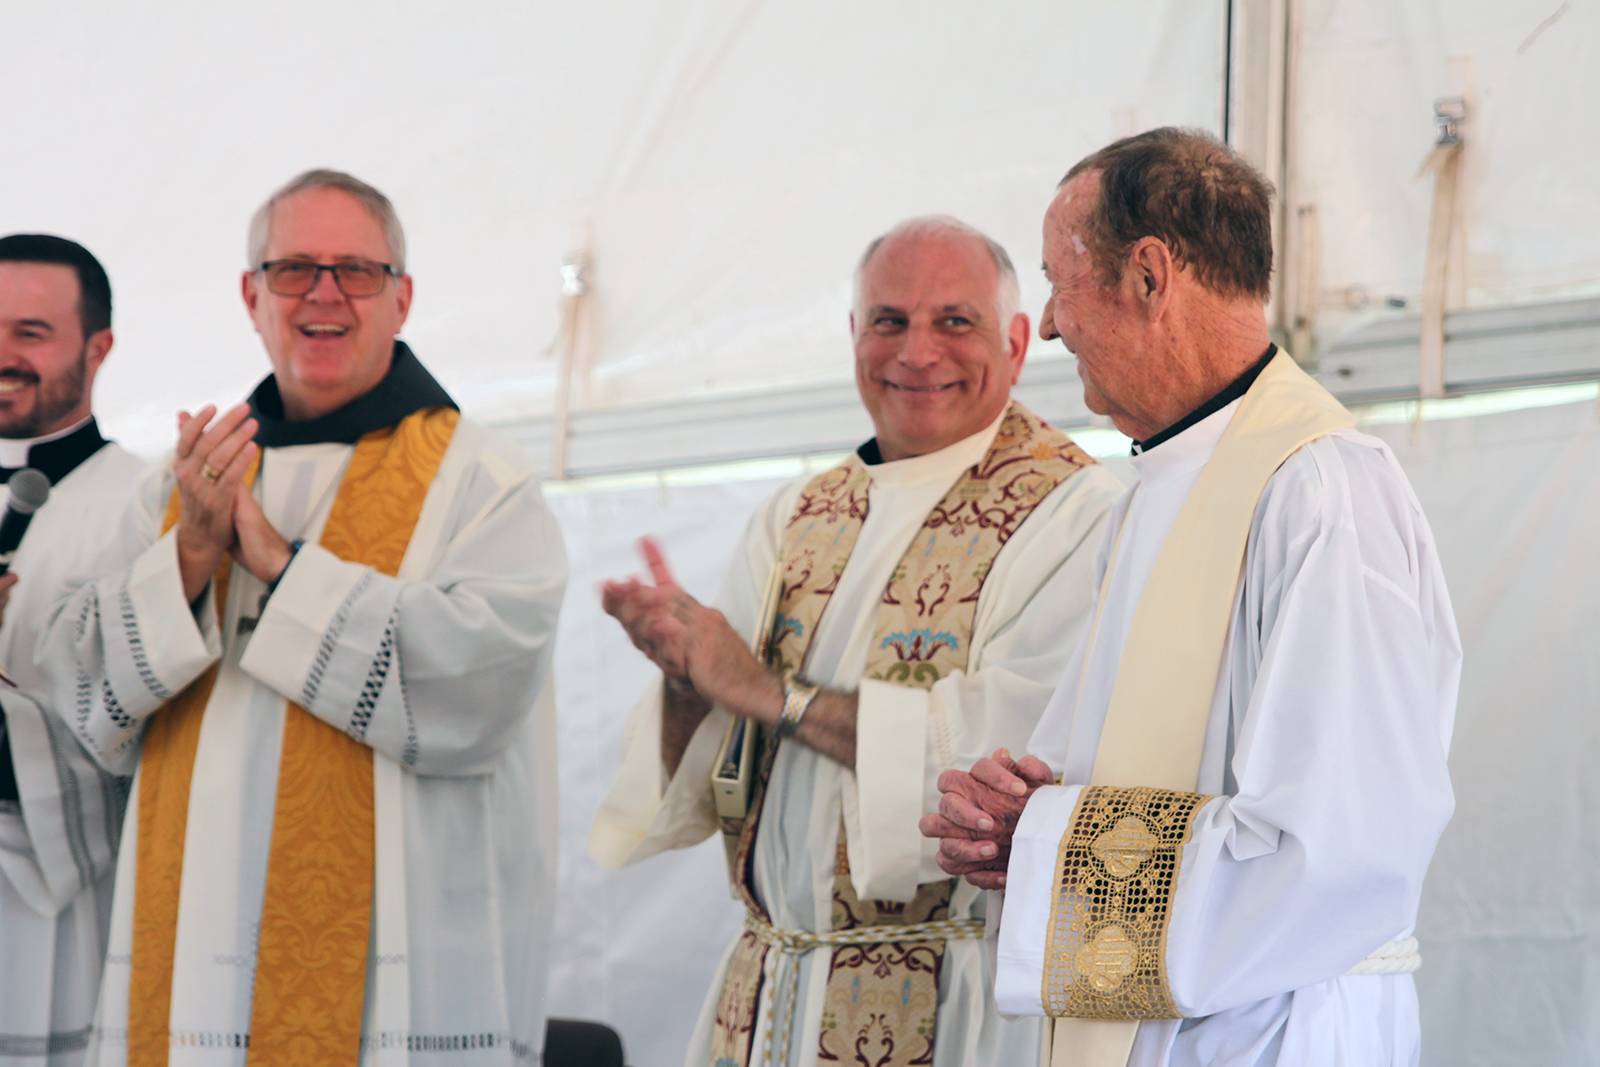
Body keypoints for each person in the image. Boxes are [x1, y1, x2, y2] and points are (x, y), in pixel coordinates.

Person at [921, 128, 1460, 1067]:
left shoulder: (1323, 489)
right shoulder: (1154, 488)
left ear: (1149, 276)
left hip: (1271, 1034)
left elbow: (1337, 848)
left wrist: (1055, 839)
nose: (1047, 324)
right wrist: (1025, 823)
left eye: (1058, 280)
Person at [41, 171, 567, 1065]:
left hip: (391, 969)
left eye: (357, 270)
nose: (324, 294)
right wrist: (192, 558)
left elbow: (482, 687)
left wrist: (282, 573)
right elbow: (85, 696)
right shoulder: (185, 481)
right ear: (252, 296)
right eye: (293, 270)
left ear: (402, 297)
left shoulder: (481, 481)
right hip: (198, 950)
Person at [589, 216, 1123, 1067]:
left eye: (955, 321)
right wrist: (689, 676)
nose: (917, 351)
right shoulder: (800, 515)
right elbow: (709, 780)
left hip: (952, 999)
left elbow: (1004, 762)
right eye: (888, 320)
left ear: (1018, 342)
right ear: (852, 336)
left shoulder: (1078, 512)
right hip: (773, 991)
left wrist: (770, 691)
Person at [0, 234, 147, 1066]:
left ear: (99, 348)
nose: (3, 355)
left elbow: (144, 723)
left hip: (64, 908)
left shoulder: (147, 505)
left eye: (30, 331)